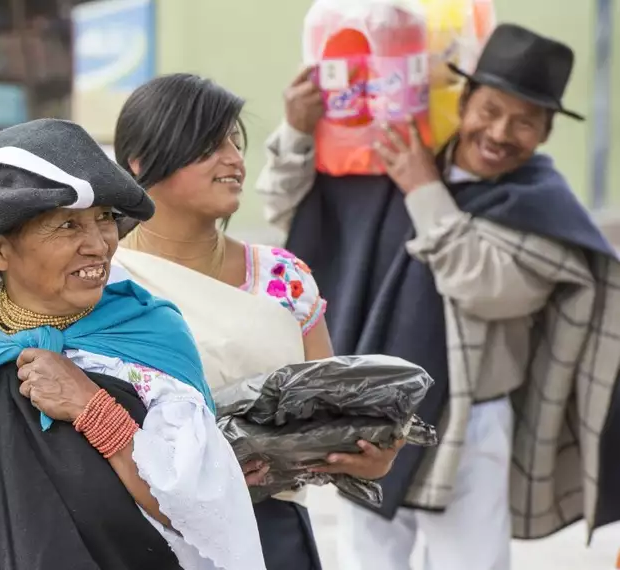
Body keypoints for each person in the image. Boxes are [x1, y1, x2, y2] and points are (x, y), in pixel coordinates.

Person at [256, 23, 620, 570]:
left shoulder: (537, 201)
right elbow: (292, 211)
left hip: (472, 420)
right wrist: (298, 131)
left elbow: (487, 288)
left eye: (525, 122)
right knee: (368, 559)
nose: (500, 132)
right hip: (372, 409)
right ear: (465, 100)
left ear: (544, 135)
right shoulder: (392, 159)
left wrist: (423, 191)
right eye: (490, 109)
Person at [0, 118, 270, 570]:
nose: (98, 245)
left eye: (104, 220)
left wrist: (94, 408)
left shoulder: (148, 335)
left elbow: (209, 515)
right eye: (67, 226)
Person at [111, 73, 404, 570]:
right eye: (209, 144)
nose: (234, 159)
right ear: (139, 163)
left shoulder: (282, 277)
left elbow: (331, 415)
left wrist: (371, 452)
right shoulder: (102, 280)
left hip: (271, 533)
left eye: (234, 141)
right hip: (143, 532)